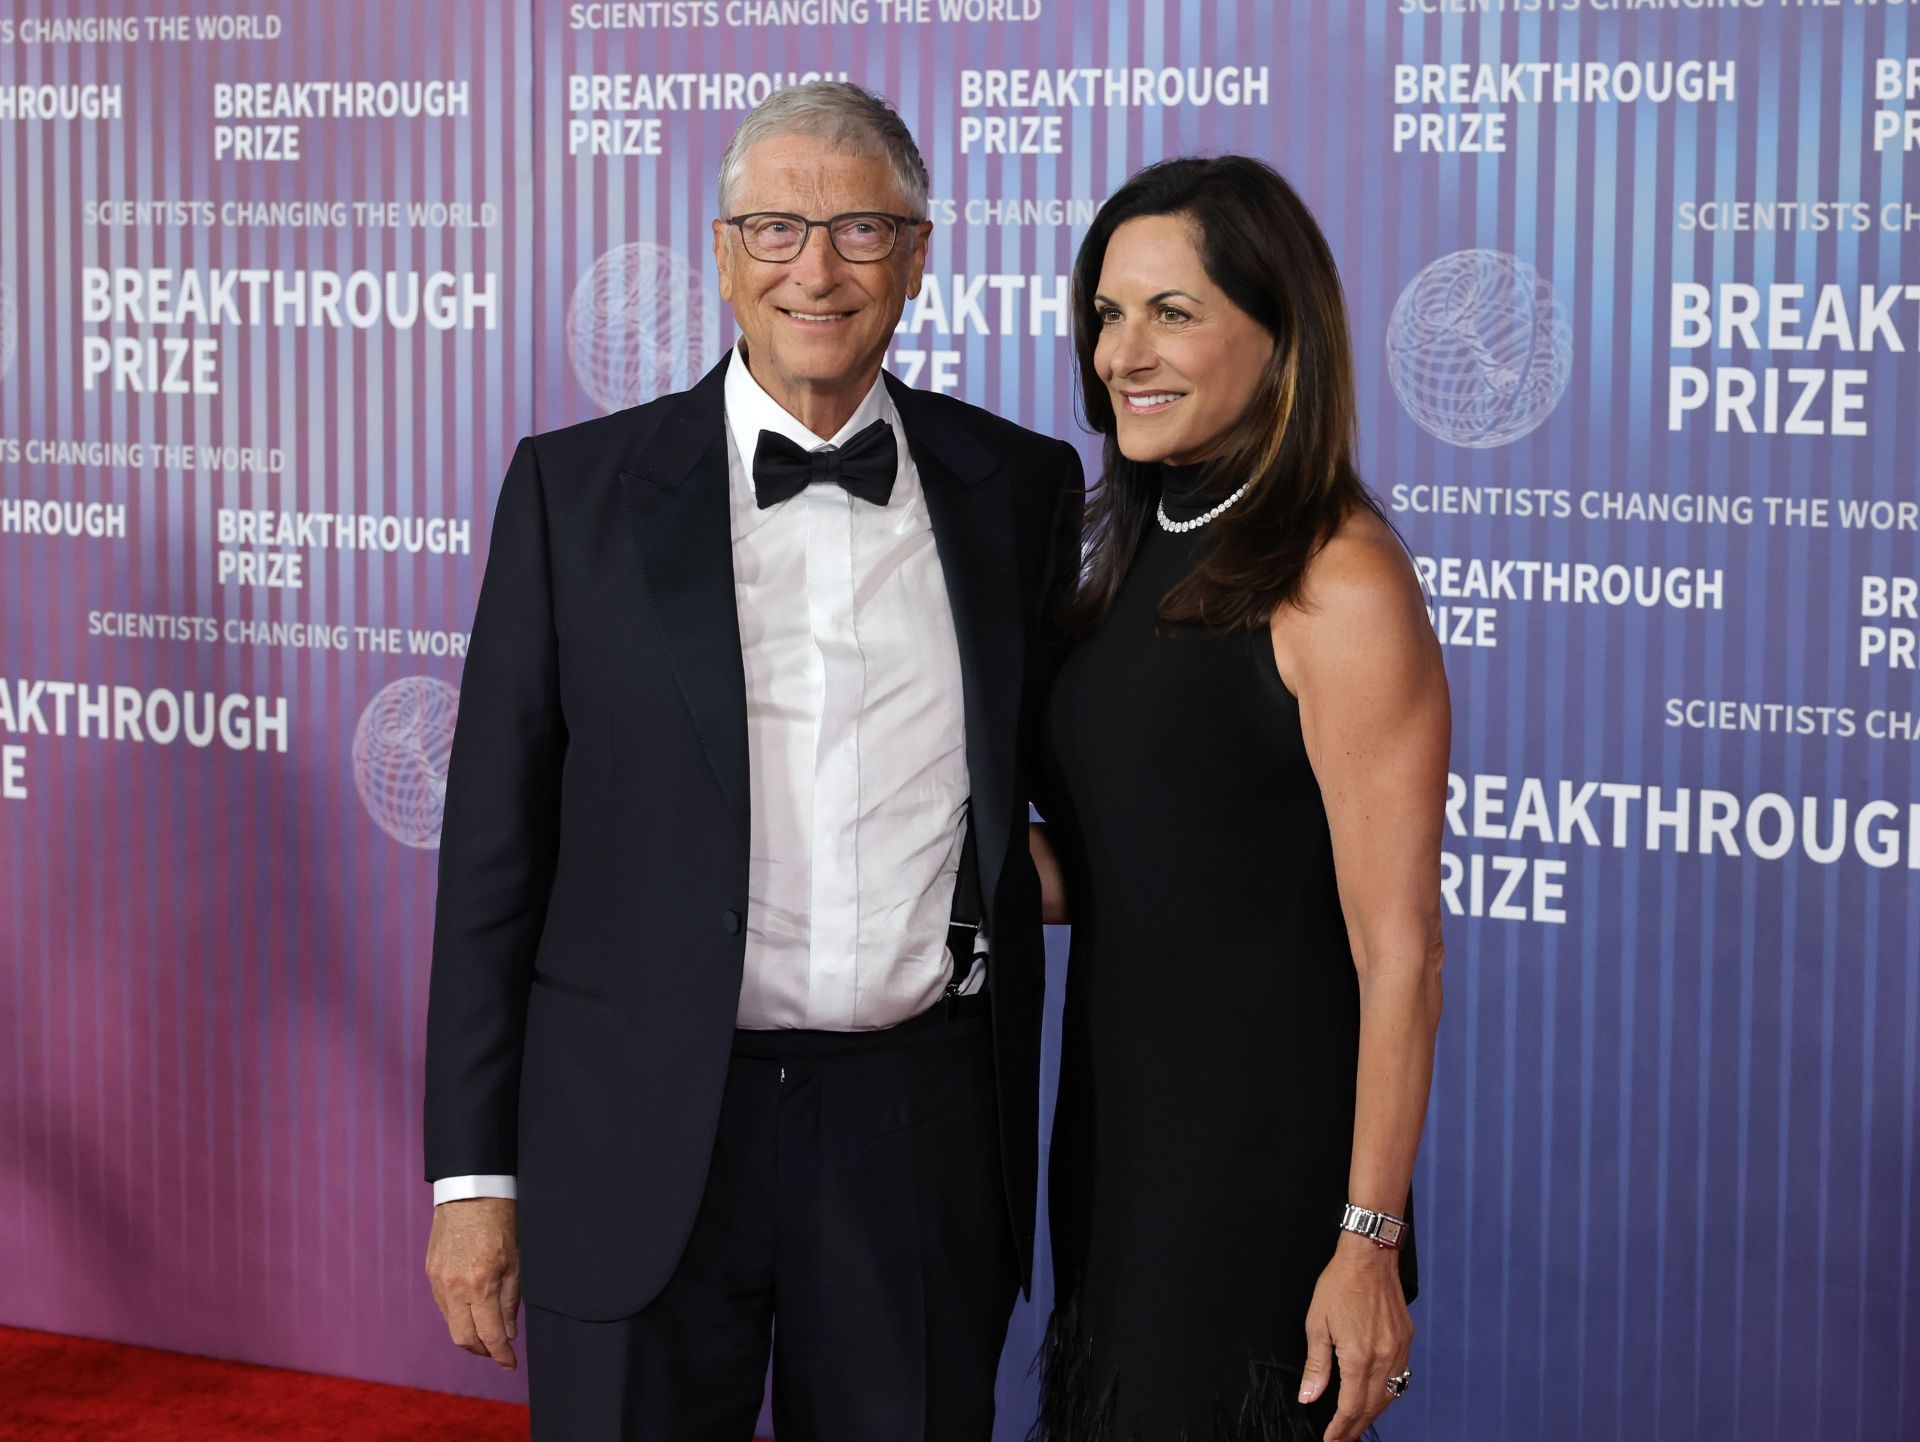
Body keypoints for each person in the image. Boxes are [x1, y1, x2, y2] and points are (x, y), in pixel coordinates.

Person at [421, 80, 1084, 1442]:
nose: (816, 269)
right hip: (637, 1125)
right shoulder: (572, 492)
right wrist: (473, 1177)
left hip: (915, 1131)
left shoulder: (1017, 486)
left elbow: (1064, 781)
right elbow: (494, 856)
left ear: (918, 254)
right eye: (776, 227)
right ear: (723, 255)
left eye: (858, 229)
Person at [1027, 156, 1448, 1442]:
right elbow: (1137, 856)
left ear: (1281, 336)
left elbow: (1401, 951)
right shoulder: (1129, 539)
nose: (1122, 351)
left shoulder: (1337, 576)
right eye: (1107, 312)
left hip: (1261, 1168)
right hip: (1119, 1139)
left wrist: (1366, 1239)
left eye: (1173, 311)